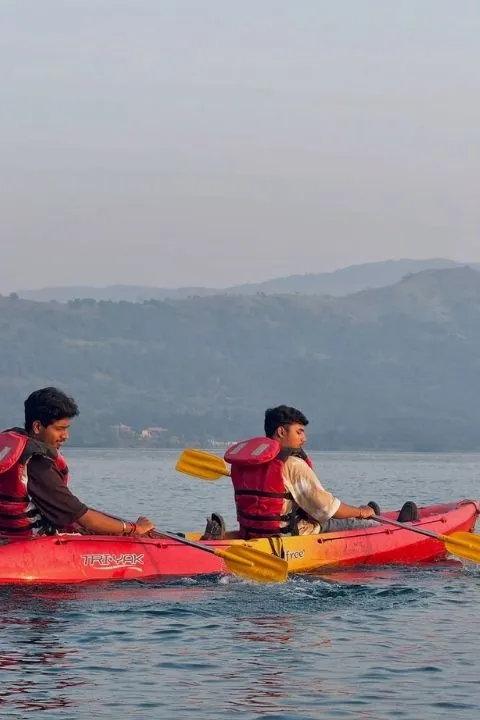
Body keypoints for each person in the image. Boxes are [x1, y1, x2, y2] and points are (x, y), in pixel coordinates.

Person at [202, 405, 418, 540]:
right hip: (294, 537)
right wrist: (361, 512)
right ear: (281, 431)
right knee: (363, 525)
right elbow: (327, 508)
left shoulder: (245, 463)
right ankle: (399, 528)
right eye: (299, 432)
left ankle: (219, 538)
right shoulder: (293, 465)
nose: (303, 438)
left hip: (253, 534)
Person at [0, 387, 156, 539]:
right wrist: (134, 528)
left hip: (7, 535)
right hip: (29, 543)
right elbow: (85, 519)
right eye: (60, 429)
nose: (65, 436)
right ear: (38, 426)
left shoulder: (12, 449)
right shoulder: (38, 464)